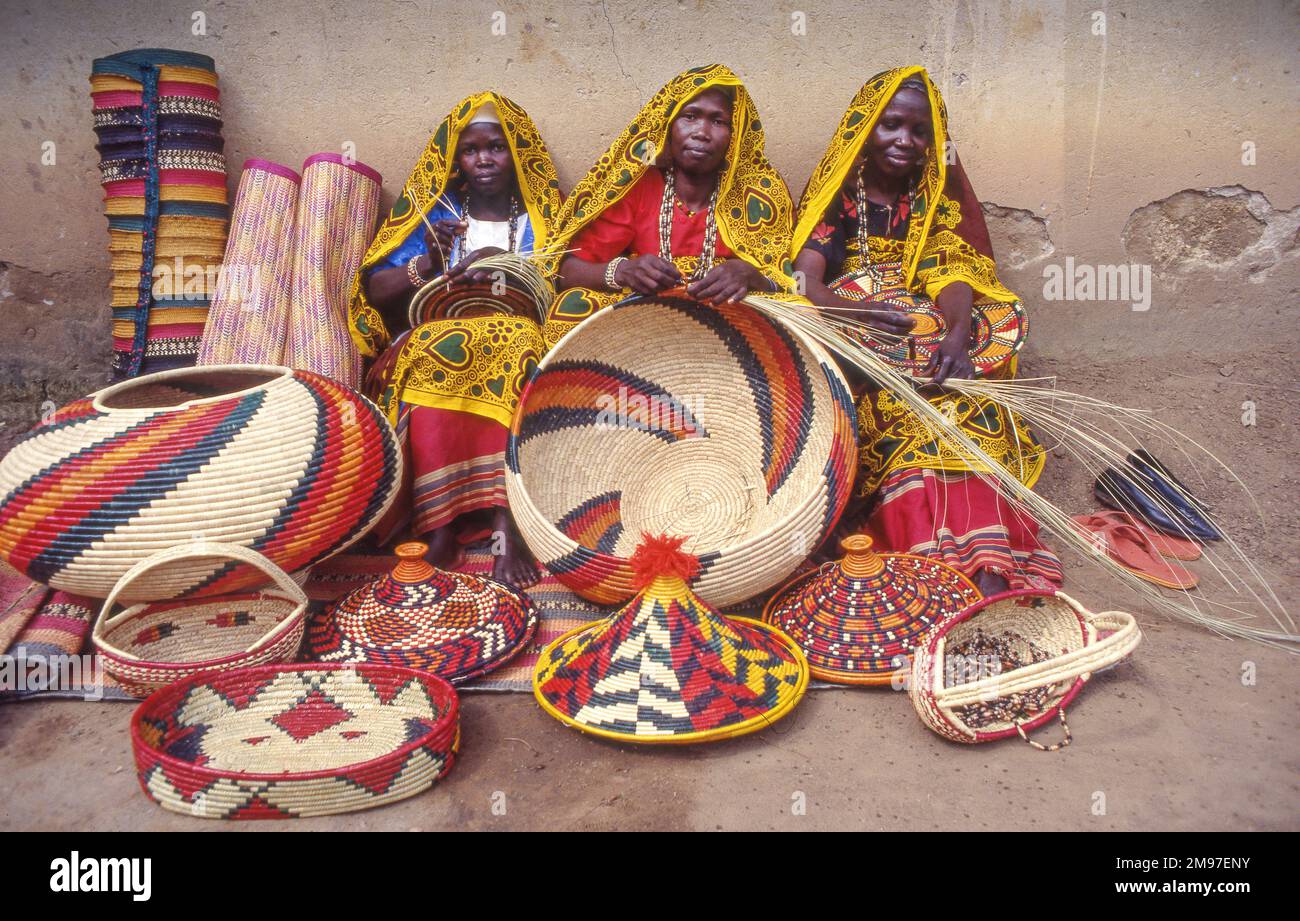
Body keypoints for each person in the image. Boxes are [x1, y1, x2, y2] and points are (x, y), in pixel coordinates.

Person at [791, 67, 1062, 594]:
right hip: (855, 342)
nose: (905, 141)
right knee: (903, 414)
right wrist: (856, 318)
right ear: (865, 129)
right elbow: (805, 279)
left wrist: (957, 336)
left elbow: (952, 271)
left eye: (920, 132)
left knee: (964, 404)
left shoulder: (931, 194)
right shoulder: (840, 193)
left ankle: (987, 558)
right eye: (891, 125)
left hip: (922, 333)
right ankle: (929, 557)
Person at [348, 92, 562, 586]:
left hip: (519, 332)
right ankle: (439, 522)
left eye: (497, 148)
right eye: (470, 150)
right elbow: (376, 291)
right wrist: (429, 264)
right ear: (455, 158)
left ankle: (509, 524)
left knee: (517, 349)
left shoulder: (542, 216)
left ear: (518, 154)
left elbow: (560, 282)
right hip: (440, 332)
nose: (483, 160)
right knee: (429, 352)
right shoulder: (434, 213)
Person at [542, 64, 798, 347]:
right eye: (689, 117)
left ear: (734, 135)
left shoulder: (758, 192)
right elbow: (566, 270)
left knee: (800, 313)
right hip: (645, 316)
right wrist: (623, 271)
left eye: (718, 121)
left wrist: (752, 276)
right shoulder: (639, 186)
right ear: (668, 126)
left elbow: (789, 282)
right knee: (572, 307)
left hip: (732, 323)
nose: (702, 132)